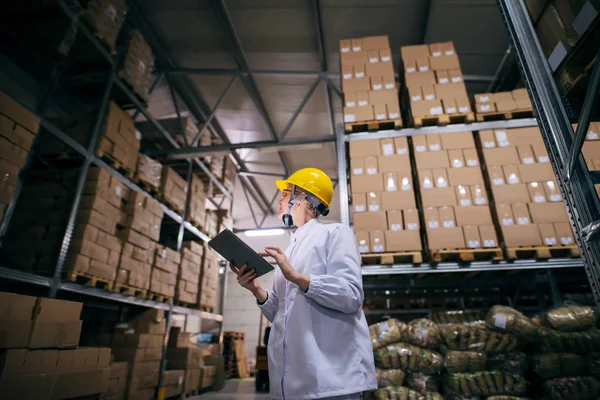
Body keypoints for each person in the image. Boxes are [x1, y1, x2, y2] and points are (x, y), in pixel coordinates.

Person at [229, 167, 377, 400]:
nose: (280, 199)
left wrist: (297, 277)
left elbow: (351, 296)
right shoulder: (291, 249)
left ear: (302, 198)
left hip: (331, 382)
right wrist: (257, 291)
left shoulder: (336, 233)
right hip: (292, 385)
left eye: (285, 193)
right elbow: (285, 314)